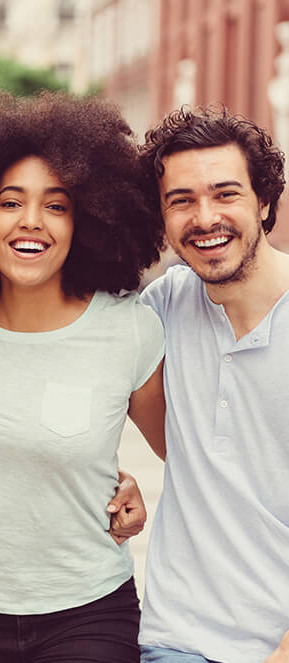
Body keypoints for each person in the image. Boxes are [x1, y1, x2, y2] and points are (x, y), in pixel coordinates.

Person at [0, 92, 167, 662]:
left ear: (89, 218)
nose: (30, 222)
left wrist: (130, 489)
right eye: (10, 202)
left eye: (56, 205)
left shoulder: (129, 329)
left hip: (86, 610)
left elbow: (190, 456)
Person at [136, 107, 289, 663]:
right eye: (181, 201)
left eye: (225, 194)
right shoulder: (159, 309)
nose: (205, 218)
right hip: (176, 639)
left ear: (264, 201)